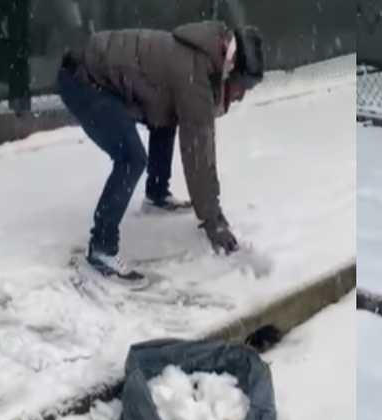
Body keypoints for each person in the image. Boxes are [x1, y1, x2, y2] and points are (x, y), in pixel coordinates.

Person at [56, 21, 265, 283]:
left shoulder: (205, 56)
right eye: (242, 86)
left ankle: (156, 193)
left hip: (95, 71)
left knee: (165, 114)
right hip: (83, 80)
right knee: (131, 158)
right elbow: (198, 153)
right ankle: (101, 248)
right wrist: (214, 221)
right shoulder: (194, 75)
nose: (241, 96)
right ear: (231, 67)